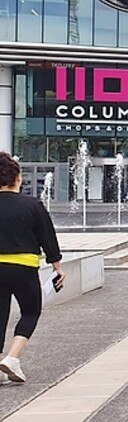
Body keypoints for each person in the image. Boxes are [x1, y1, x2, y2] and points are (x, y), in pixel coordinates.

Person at [0, 151, 64, 384]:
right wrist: (57, 266)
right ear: (17, 178)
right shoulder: (32, 205)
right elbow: (48, 237)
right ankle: (12, 358)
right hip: (23, 267)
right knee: (30, 311)